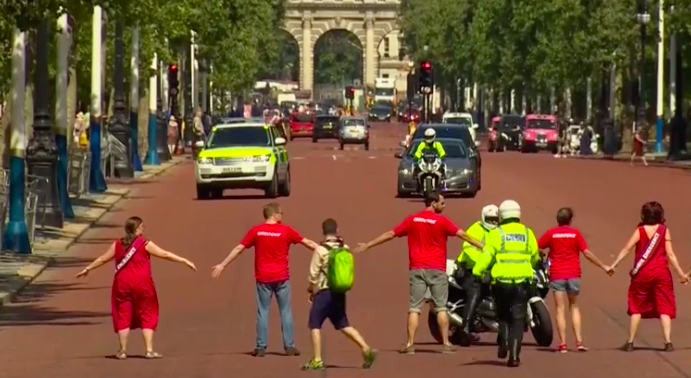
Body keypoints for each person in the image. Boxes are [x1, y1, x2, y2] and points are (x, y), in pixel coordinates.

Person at [355, 192, 483, 355]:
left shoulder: (412, 220)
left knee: (414, 308)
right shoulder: (442, 221)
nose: (444, 206)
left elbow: (390, 234)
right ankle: (446, 344)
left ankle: (410, 344)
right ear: (433, 203)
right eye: (442, 203)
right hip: (437, 268)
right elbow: (462, 235)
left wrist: (368, 244)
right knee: (441, 308)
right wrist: (482, 246)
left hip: (417, 268)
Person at [75, 216, 197, 359]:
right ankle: (149, 350)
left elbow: (102, 258)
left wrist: (88, 269)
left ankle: (122, 351)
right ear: (136, 228)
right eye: (142, 226)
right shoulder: (144, 243)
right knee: (147, 313)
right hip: (142, 284)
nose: (144, 228)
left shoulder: (117, 244)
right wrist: (184, 260)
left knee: (123, 315)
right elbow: (164, 254)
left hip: (122, 284)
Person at [211, 203, 320, 357]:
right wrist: (326, 251)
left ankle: (261, 347)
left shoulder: (257, 231)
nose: (282, 216)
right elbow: (308, 243)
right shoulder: (285, 231)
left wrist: (223, 264)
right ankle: (289, 346)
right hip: (281, 277)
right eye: (281, 213)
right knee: (285, 312)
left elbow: (239, 248)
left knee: (263, 311)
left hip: (263, 278)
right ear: (274, 214)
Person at [608, 202, 688, 352]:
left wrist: (614, 264)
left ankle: (630, 342)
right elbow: (670, 255)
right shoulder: (664, 231)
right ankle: (668, 342)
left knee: (637, 306)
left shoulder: (640, 230)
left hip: (642, 273)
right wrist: (681, 273)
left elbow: (627, 248)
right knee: (665, 306)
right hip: (661, 273)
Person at [301, 219, 377, 370]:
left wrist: (311, 289)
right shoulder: (345, 248)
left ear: (323, 231)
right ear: (337, 229)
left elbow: (313, 274)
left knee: (314, 324)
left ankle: (317, 359)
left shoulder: (320, 250)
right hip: (339, 292)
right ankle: (366, 348)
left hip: (324, 292)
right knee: (343, 324)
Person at [472, 200, 538, 367]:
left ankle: (503, 343)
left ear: (501, 215)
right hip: (522, 282)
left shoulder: (496, 233)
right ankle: (514, 356)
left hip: (501, 282)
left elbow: (486, 255)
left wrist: (477, 272)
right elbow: (534, 256)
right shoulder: (527, 232)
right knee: (518, 319)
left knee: (502, 315)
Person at [537, 207, 611, 353]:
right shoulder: (575, 234)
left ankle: (563, 344)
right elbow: (587, 253)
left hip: (557, 274)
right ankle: (579, 341)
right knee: (574, 306)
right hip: (573, 274)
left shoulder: (551, 234)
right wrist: (604, 266)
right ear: (570, 219)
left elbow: (537, 246)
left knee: (560, 309)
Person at [454, 204, 499, 346]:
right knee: (476, 291)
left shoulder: (500, 231)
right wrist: (483, 265)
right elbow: (468, 249)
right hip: (467, 269)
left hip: (490, 270)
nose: (493, 222)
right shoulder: (476, 229)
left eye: (496, 219)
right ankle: (465, 330)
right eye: (490, 219)